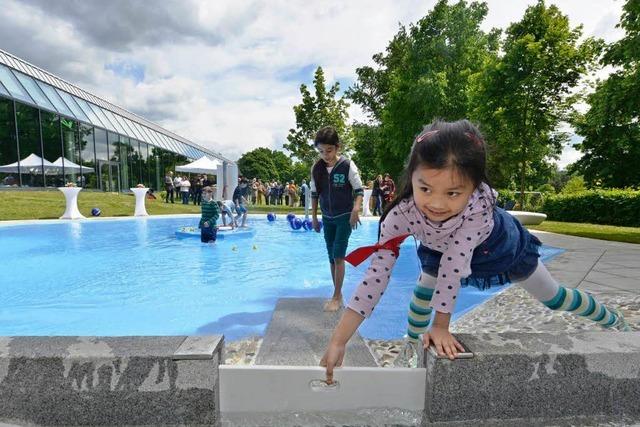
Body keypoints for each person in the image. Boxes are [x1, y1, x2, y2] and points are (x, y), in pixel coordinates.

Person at [320, 119, 629, 383]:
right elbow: (375, 279)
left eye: (453, 192)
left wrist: (441, 327)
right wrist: (338, 340)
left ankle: (613, 320)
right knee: (422, 292)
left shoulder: (478, 208)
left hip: (500, 249)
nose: (437, 204)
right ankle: (411, 349)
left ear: (474, 187)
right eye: (425, 188)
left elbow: (454, 267)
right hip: (437, 250)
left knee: (556, 299)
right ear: (411, 176)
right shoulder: (400, 215)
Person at [311, 126, 364, 312]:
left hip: (344, 218)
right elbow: (315, 194)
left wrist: (356, 209)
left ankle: (336, 296)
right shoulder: (317, 169)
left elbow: (358, 190)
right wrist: (314, 218)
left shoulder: (347, 165)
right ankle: (338, 293)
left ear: (337, 147)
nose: (325, 155)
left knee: (339, 256)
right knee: (331, 258)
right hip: (327, 218)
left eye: (329, 150)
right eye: (321, 151)